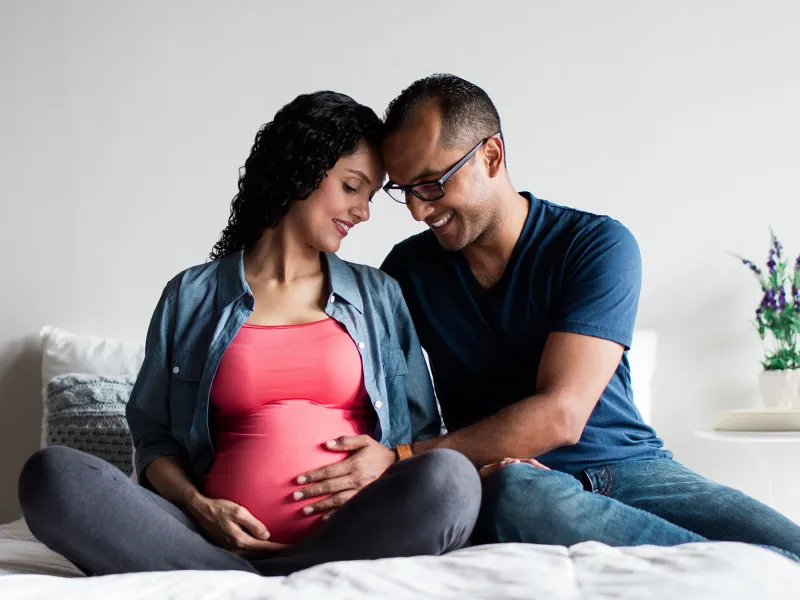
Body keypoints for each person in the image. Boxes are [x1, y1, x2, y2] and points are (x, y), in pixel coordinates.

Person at [297, 74, 800, 560]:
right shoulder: (407, 272)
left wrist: (405, 459)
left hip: (634, 470)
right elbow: (354, 373)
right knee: (518, 491)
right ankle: (744, 575)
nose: (417, 211)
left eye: (431, 185)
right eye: (403, 190)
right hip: (509, 482)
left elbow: (563, 414)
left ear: (491, 156)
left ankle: (746, 571)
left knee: (791, 548)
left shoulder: (595, 244)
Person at [18, 90, 481, 577]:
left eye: (369, 196)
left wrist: (387, 460)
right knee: (50, 477)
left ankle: (266, 574)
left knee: (452, 481)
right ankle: (247, 571)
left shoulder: (379, 295)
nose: (364, 212)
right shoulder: (191, 296)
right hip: (206, 539)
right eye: (352, 187)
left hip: (352, 532)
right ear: (302, 170)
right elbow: (154, 439)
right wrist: (201, 506)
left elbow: (421, 435)